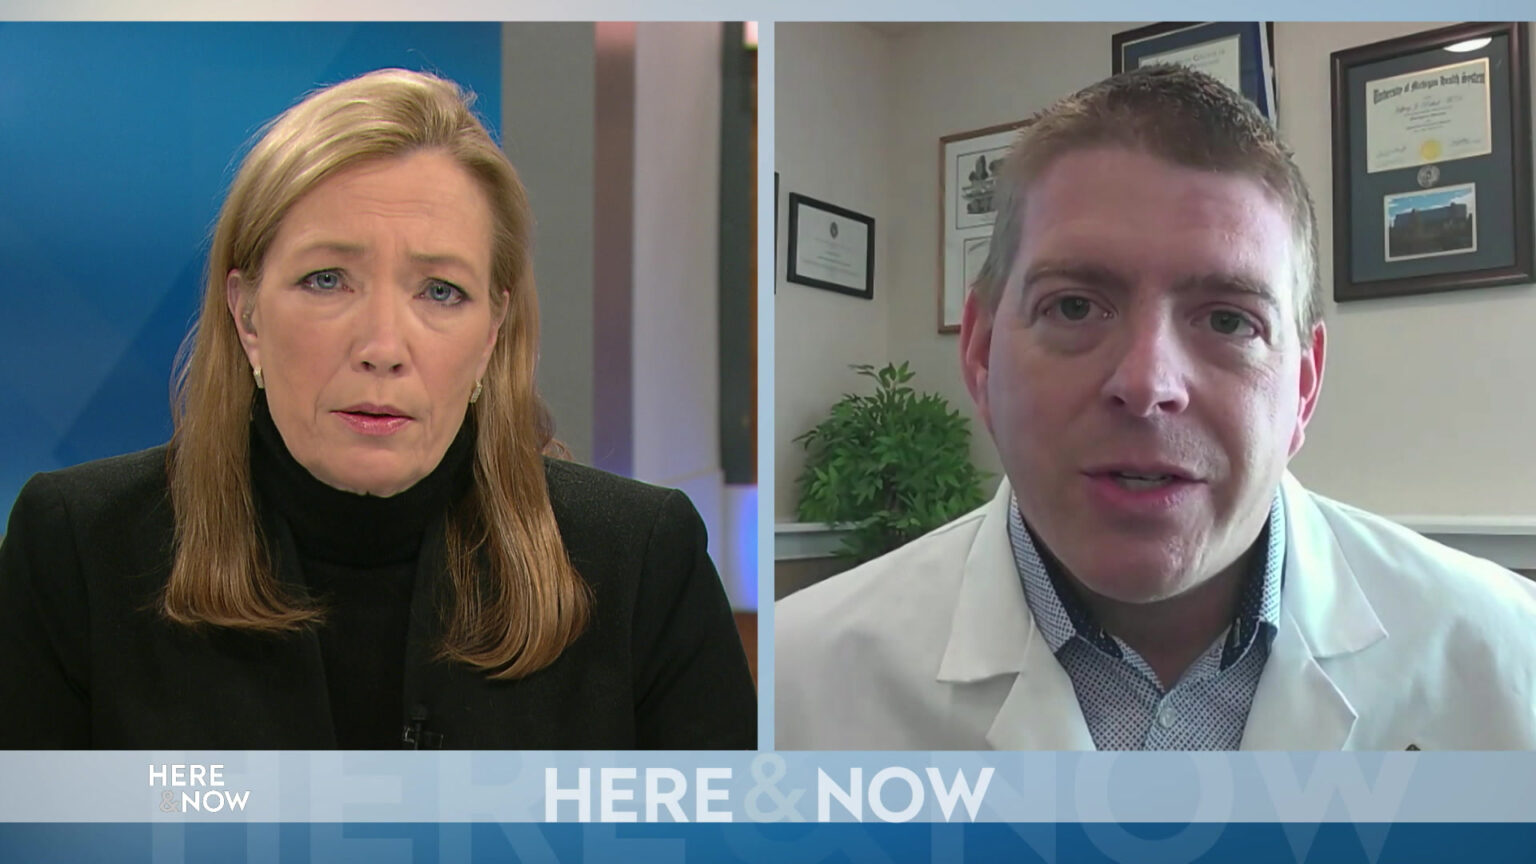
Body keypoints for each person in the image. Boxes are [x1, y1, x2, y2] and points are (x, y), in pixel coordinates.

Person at [776, 65, 1536, 750]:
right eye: (1075, 306)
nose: (1146, 384)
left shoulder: (1510, 658)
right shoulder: (790, 682)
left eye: (1230, 320)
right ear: (979, 352)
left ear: (1303, 385)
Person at [0, 68, 756, 749]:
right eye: (328, 279)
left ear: (491, 335)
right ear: (247, 314)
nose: (384, 345)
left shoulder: (642, 560)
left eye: (440, 291)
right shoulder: (76, 547)